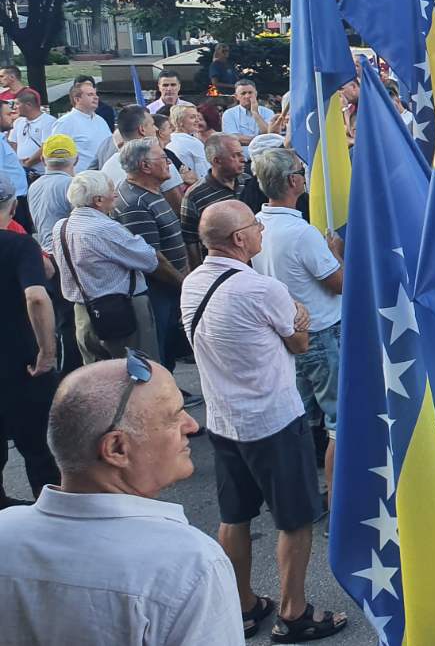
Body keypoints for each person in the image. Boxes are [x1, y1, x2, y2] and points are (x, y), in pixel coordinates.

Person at [181, 200, 345, 643]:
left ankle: (244, 604)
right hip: (273, 419)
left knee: (235, 516)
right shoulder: (260, 288)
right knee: (295, 519)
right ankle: (294, 612)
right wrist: (299, 318)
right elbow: (299, 343)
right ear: (239, 239)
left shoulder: (192, 283)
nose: (260, 230)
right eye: (254, 225)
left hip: (224, 419)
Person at [0, 357, 244, 645]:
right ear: (116, 448)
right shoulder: (189, 565)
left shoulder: (5, 532)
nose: (191, 425)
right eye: (173, 416)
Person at [249, 148, 343, 492]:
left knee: (299, 418)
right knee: (339, 422)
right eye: (302, 172)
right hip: (322, 332)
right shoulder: (301, 233)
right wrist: (336, 253)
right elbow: (339, 283)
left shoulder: (257, 225)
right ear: (292, 181)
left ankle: (301, 491)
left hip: (288, 334)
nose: (305, 177)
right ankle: (336, 496)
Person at [51, 170, 161, 362]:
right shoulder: (105, 228)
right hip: (123, 311)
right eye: (111, 189)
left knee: (97, 374)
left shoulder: (61, 227)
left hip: (83, 312)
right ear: (98, 200)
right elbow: (149, 260)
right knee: (139, 370)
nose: (116, 194)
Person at [0, 173, 58, 501]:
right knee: (39, 446)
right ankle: (50, 512)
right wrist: (47, 353)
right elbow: (36, 296)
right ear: (12, 207)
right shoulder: (19, 244)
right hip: (22, 360)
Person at [114, 138, 189, 375]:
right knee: (158, 349)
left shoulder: (150, 192)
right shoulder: (135, 203)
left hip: (169, 287)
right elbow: (153, 259)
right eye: (164, 158)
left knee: (169, 346)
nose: (169, 163)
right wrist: (184, 284)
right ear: (145, 166)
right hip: (157, 290)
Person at [178, 134, 249, 269]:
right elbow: (190, 241)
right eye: (235, 155)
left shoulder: (248, 182)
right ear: (217, 161)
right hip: (221, 268)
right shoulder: (195, 195)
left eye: (241, 153)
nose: (243, 159)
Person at [54, 79, 111, 173]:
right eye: (90, 95)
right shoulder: (65, 122)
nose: (96, 97)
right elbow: (57, 155)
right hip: (79, 178)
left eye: (96, 94)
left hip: (102, 175)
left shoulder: (101, 120)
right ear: (77, 99)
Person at [8, 90, 55, 175]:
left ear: (28, 105)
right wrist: (17, 163)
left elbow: (46, 147)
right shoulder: (18, 122)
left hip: (41, 173)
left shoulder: (49, 121)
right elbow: (12, 144)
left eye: (17, 104)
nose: (14, 107)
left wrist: (27, 163)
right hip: (21, 171)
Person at [220, 78, 275, 146]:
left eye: (250, 92)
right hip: (240, 151)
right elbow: (233, 138)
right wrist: (262, 140)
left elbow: (270, 135)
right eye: (243, 93)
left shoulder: (268, 112)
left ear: (256, 94)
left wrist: (255, 113)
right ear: (236, 96)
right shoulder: (229, 114)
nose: (247, 96)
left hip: (264, 151)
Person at [167, 105, 210, 180]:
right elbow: (204, 173)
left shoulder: (169, 138)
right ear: (180, 121)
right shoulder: (193, 142)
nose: (197, 120)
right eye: (192, 117)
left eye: (197, 117)